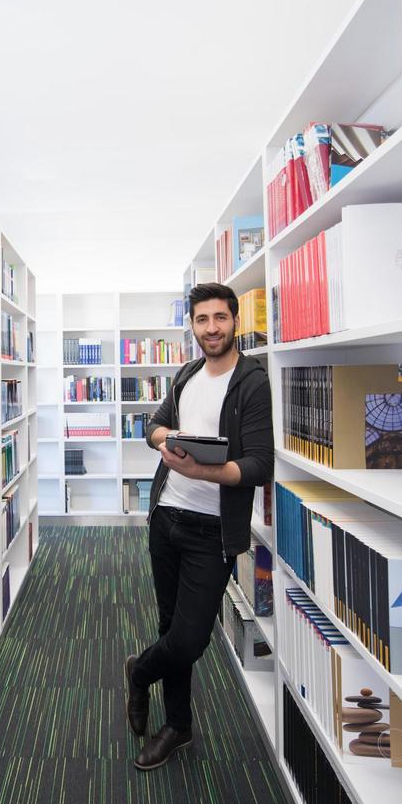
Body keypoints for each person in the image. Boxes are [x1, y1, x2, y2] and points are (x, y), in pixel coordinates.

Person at [125, 282, 273, 770]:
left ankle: (140, 671)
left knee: (190, 639)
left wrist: (203, 468)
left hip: (213, 529)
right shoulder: (187, 373)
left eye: (220, 318)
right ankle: (178, 726)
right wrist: (173, 439)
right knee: (171, 625)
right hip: (166, 517)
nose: (211, 328)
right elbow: (154, 427)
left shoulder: (253, 381)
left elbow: (257, 467)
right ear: (192, 326)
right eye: (202, 320)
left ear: (235, 321)